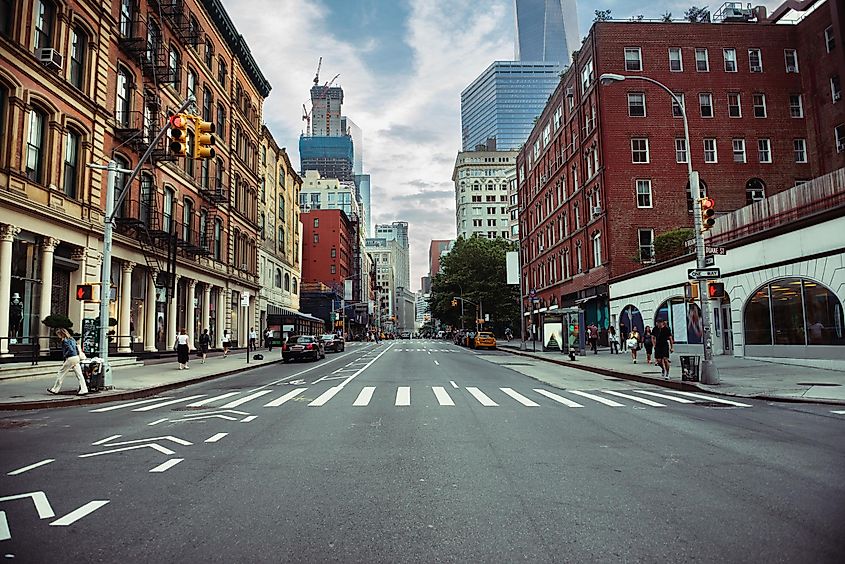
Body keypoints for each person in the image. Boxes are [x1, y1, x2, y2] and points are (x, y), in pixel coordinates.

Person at [47, 328, 88, 396]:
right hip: (76, 358)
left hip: (71, 358)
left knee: (61, 373)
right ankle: (84, 389)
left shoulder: (65, 341)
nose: (58, 336)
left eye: (58, 334)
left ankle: (55, 389)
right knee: (79, 374)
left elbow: (70, 349)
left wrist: (65, 356)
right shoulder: (72, 339)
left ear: (61, 334)